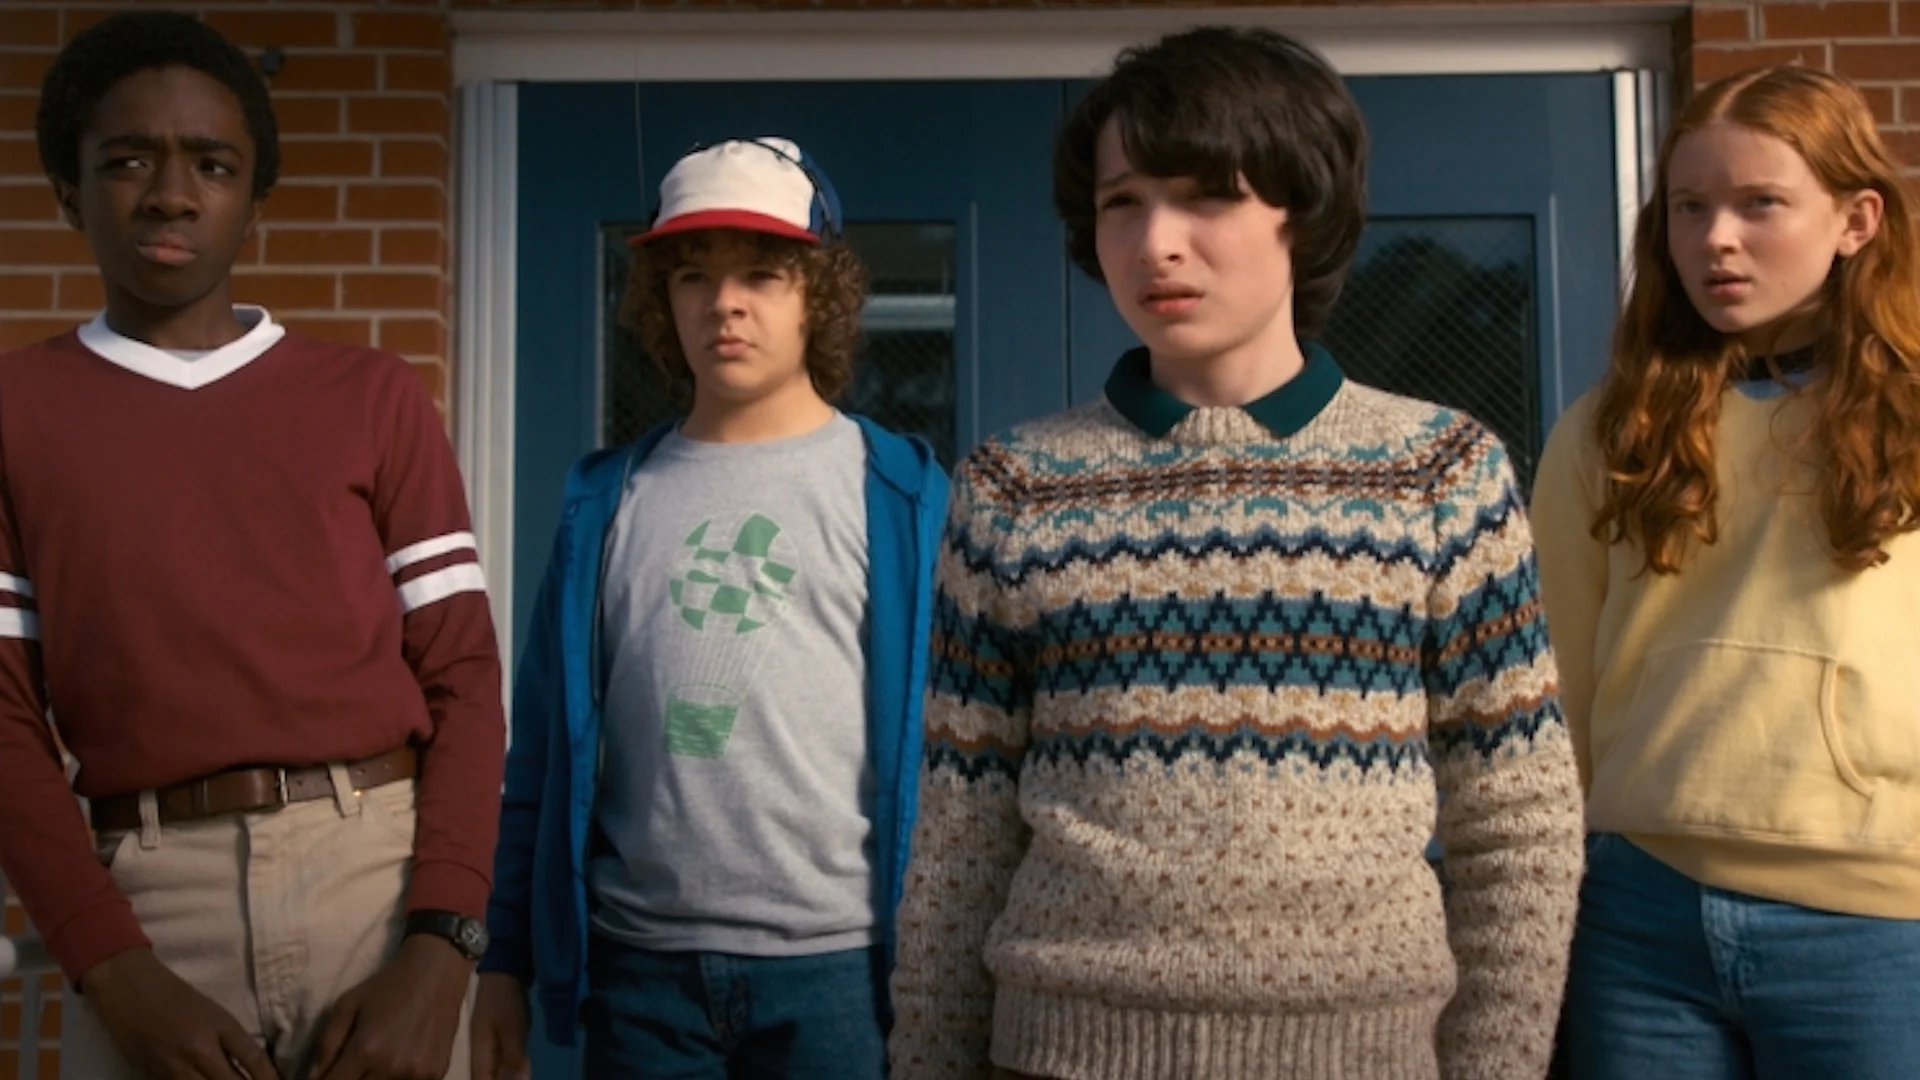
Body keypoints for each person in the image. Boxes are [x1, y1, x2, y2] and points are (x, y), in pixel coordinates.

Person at [886, 25, 1585, 1080]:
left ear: (1302, 210)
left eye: (1205, 196)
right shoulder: (1013, 487)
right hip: (1061, 1055)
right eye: (1123, 202)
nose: (1155, 241)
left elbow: (1517, 818)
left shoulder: (1441, 474)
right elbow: (960, 836)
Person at [0, 11, 504, 1080]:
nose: (171, 193)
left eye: (212, 164)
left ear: (253, 198)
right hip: (146, 905)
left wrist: (442, 947)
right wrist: (109, 966)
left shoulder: (374, 396)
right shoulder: (16, 409)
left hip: (377, 881)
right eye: (126, 160)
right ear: (69, 191)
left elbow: (463, 679)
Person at [469, 137, 949, 1080]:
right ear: (663, 299)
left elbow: (964, 765)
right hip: (639, 972)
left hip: (843, 974)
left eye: (761, 275)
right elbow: (540, 759)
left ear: (818, 296)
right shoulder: (605, 501)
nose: (724, 302)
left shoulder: (901, 497)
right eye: (693, 275)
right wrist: (502, 960)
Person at [1532, 65, 1920, 1080]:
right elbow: (1556, 686)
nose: (1716, 240)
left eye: (1760, 204)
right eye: (1690, 208)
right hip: (1638, 911)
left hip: (1881, 919)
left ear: (1856, 220)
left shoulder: (1912, 417)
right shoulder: (1607, 429)